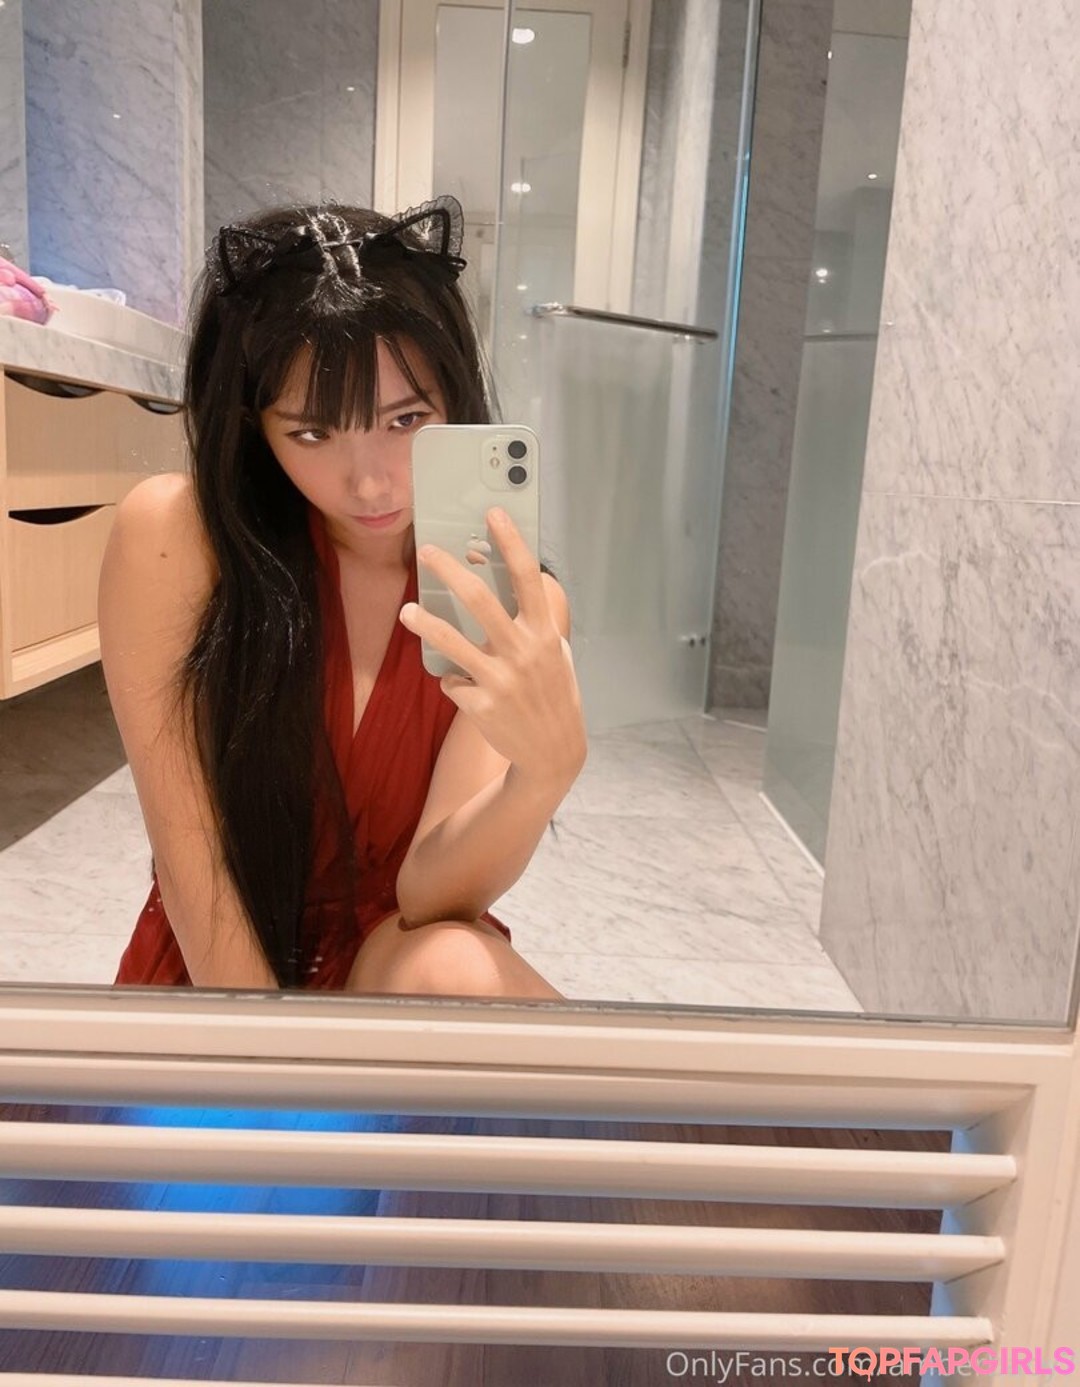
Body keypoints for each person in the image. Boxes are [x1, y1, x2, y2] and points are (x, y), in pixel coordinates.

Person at [100, 197, 586, 999]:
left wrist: (544, 775)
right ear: (253, 425)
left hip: (392, 955)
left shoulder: (511, 603)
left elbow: (429, 898)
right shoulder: (178, 539)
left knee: (455, 961)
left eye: (406, 419)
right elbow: (193, 867)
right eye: (313, 433)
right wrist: (273, 1057)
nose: (369, 483)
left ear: (455, 400)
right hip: (219, 961)